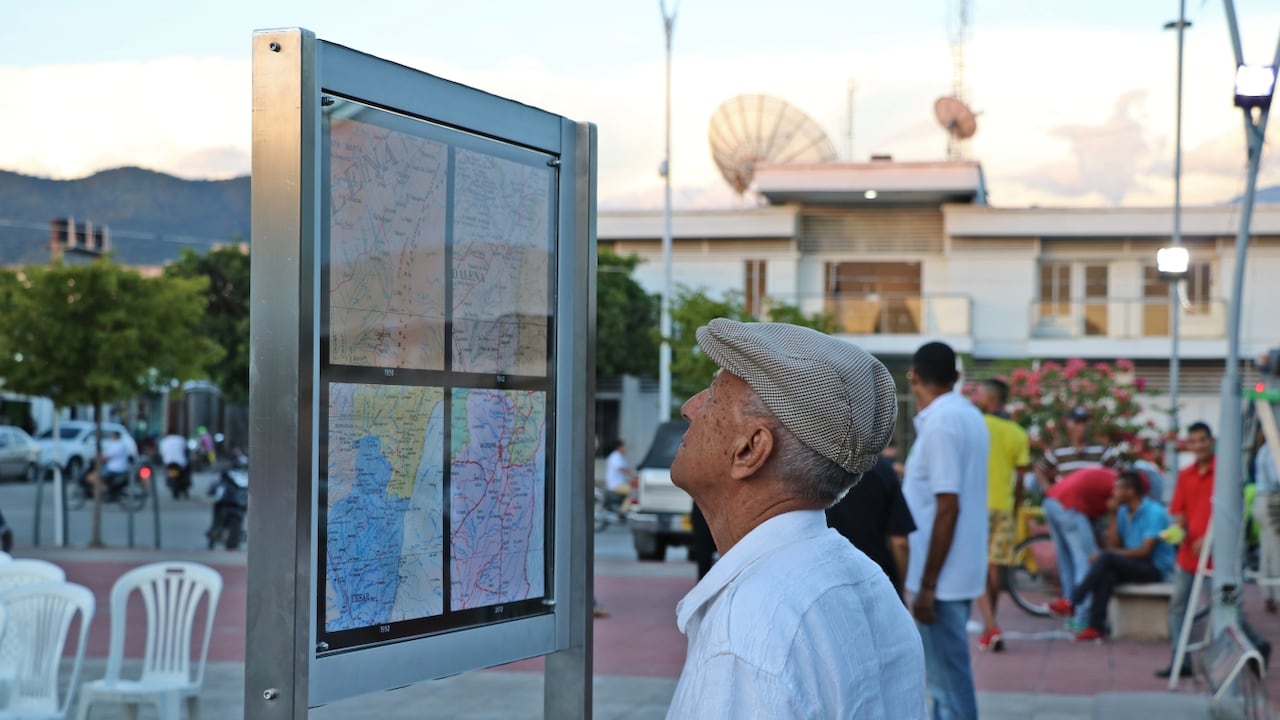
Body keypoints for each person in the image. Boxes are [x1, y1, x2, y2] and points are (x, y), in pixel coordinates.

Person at [666, 319, 924, 719]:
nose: (689, 408)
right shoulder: (866, 579)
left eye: (713, 395)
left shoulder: (751, 625)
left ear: (750, 450)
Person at [902, 341, 988, 720]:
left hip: (941, 578)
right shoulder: (968, 415)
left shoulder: (941, 422)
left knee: (949, 686)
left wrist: (928, 584)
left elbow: (947, 505)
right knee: (944, 685)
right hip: (956, 570)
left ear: (914, 377)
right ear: (955, 377)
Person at [1048, 469, 1174, 641]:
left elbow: (1144, 551)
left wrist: (1106, 554)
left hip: (1154, 567)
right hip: (1134, 564)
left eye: (1117, 489)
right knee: (1107, 572)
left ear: (1130, 491)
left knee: (1106, 558)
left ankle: (1073, 601)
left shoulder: (1154, 512)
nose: (1113, 493)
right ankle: (1095, 627)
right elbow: (1114, 545)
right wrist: (1113, 515)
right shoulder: (1122, 511)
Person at [973, 378, 1030, 652]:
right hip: (1004, 507)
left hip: (976, 505)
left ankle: (990, 625)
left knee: (977, 567)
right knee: (996, 566)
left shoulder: (976, 425)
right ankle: (990, 625)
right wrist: (1017, 507)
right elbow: (1020, 480)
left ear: (989, 400)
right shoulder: (1018, 433)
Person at [1158, 421, 1216, 678]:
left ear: (1211, 441)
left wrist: (1210, 538)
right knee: (1177, 607)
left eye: (1203, 440)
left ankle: (1252, 646)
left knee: (1223, 606)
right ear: (1189, 445)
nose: (1199, 445)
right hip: (1188, 555)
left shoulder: (1224, 473)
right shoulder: (1185, 474)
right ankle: (1180, 660)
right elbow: (1180, 514)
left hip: (1218, 556)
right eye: (1194, 441)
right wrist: (1176, 532)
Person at [1040, 466, 1118, 632]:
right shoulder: (1119, 488)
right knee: (1087, 561)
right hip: (1070, 506)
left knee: (1067, 561)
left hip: (1052, 501)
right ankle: (1083, 616)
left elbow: (1096, 526)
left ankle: (1071, 609)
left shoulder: (1109, 478)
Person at [826, 453, 916, 596]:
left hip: (830, 583)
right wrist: (900, 587)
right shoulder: (883, 469)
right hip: (879, 582)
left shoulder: (815, 469)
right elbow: (900, 542)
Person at [1035, 406, 1119, 487]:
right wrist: (1049, 489)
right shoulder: (1059, 448)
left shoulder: (1099, 448)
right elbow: (1040, 468)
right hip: (1067, 496)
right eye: (1077, 423)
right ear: (1069, 425)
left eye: (1084, 423)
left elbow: (1118, 468)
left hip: (1093, 497)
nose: (1082, 427)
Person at [1254, 439, 1280, 613]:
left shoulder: (1265, 448)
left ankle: (1269, 595)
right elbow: (1276, 479)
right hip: (1271, 501)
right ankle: (1275, 595)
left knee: (1268, 551)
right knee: (1275, 551)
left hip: (1265, 500)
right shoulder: (1272, 448)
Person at [602, 439, 633, 515]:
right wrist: (633, 474)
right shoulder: (615, 456)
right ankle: (622, 511)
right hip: (615, 484)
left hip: (619, 483)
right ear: (619, 447)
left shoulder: (618, 456)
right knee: (633, 492)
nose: (625, 449)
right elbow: (622, 469)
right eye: (624, 447)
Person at [159, 431, 191, 499]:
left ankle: (172, 484)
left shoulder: (164, 441)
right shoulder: (181, 439)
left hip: (168, 462)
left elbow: (162, 453)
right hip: (180, 462)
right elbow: (186, 451)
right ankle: (185, 486)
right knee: (186, 473)